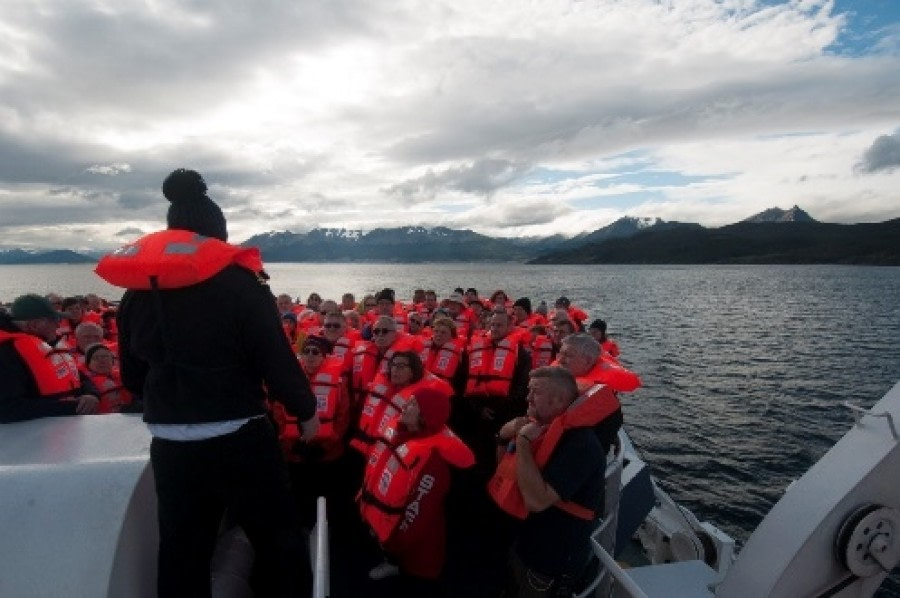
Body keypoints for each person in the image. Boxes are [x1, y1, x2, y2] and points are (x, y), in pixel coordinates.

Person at [99, 168, 319, 598]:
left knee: (182, 550)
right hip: (238, 433)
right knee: (278, 540)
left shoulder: (137, 292)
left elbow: (131, 376)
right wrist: (304, 410)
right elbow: (274, 356)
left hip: (170, 439)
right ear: (217, 234)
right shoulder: (239, 282)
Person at [490, 366, 608, 597]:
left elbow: (536, 501)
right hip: (525, 541)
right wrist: (504, 435)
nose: (527, 398)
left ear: (559, 400)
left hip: (550, 558)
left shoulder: (581, 445)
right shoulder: (541, 428)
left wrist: (522, 441)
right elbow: (504, 469)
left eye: (535, 392)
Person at [359, 387, 475, 589]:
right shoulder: (404, 433)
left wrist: (393, 542)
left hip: (416, 545)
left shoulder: (433, 461)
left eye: (412, 404)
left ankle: (398, 568)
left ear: (425, 415)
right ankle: (393, 562)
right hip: (392, 523)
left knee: (415, 580)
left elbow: (418, 513)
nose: (405, 405)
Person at [0, 294, 101, 422]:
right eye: (54, 320)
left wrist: (91, 394)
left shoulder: (46, 343)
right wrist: (72, 408)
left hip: (61, 431)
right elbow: (7, 409)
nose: (58, 325)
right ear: (35, 325)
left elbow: (78, 375)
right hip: (29, 438)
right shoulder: (6, 355)